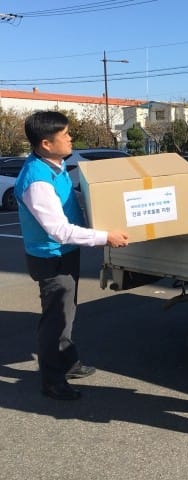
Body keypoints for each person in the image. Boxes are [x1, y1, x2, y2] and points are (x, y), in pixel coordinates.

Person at [14, 111, 129, 401]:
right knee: (55, 319)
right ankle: (52, 381)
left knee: (67, 312)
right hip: (51, 257)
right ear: (46, 143)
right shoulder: (37, 181)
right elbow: (59, 231)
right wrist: (106, 237)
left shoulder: (56, 165)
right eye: (64, 135)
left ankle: (68, 360)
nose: (70, 138)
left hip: (65, 254)